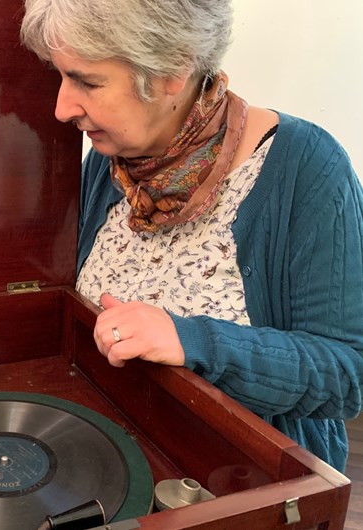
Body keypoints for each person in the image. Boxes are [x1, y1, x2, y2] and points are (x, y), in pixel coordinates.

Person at [20, 0, 363, 473]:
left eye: (87, 81)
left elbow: (345, 377)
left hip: (239, 485)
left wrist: (190, 339)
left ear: (172, 70)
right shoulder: (110, 161)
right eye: (61, 76)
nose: (62, 108)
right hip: (105, 460)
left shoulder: (308, 168)